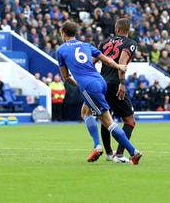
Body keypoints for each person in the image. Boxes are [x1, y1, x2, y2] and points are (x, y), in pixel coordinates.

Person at [57, 21, 142, 165]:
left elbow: (66, 77)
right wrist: (119, 67)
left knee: (106, 120)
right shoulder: (86, 45)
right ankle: (103, 148)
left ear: (63, 33)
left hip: (89, 85)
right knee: (86, 111)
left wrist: (79, 85)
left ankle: (131, 151)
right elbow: (107, 60)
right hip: (99, 80)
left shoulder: (61, 50)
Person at [86, 17, 138, 163]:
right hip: (115, 83)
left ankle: (109, 153)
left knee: (105, 118)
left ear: (117, 29)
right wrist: (122, 83)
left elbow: (92, 62)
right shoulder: (131, 43)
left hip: (101, 83)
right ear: (128, 30)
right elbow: (122, 63)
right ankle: (120, 155)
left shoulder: (104, 42)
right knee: (130, 121)